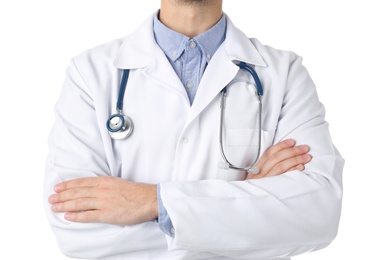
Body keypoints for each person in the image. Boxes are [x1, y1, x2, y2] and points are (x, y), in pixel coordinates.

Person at [44, 0, 344, 259]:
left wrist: (151, 202)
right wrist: (250, 204)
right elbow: (73, 228)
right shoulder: (90, 72)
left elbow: (317, 213)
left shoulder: (284, 73)